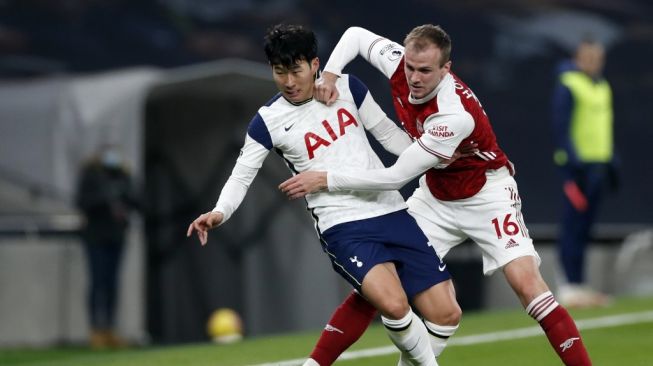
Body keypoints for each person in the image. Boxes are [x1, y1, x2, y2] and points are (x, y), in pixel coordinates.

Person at [280, 25, 593, 365]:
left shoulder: (453, 115)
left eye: (426, 70)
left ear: (446, 69)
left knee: (527, 285)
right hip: (436, 196)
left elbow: (395, 176)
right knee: (376, 284)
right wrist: (330, 73)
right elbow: (355, 36)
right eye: (411, 67)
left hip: (485, 194)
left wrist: (325, 178)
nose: (414, 77)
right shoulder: (399, 62)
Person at [186, 24, 462, 366]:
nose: (288, 82)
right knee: (393, 305)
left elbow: (389, 137)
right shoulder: (268, 121)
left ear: (315, 64)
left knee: (447, 313)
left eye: (296, 71)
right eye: (279, 72)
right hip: (343, 225)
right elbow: (241, 175)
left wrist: (436, 153)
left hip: (391, 211)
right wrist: (219, 212)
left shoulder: (347, 87)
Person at [552, 39, 615, 308]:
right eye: (588, 57)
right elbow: (561, 129)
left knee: (586, 228)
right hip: (578, 171)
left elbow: (603, 129)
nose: (594, 63)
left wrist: (612, 163)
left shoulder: (602, 86)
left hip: (599, 167)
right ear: (578, 58)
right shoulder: (568, 85)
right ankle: (567, 286)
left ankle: (579, 284)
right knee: (572, 227)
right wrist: (572, 165)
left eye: (598, 58)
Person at [76, 145, 137, 349]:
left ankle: (110, 329)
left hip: (117, 236)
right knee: (97, 282)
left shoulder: (122, 176)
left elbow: (139, 202)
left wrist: (125, 195)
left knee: (112, 284)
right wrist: (104, 198)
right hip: (95, 237)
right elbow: (82, 202)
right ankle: (96, 329)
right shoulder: (91, 176)